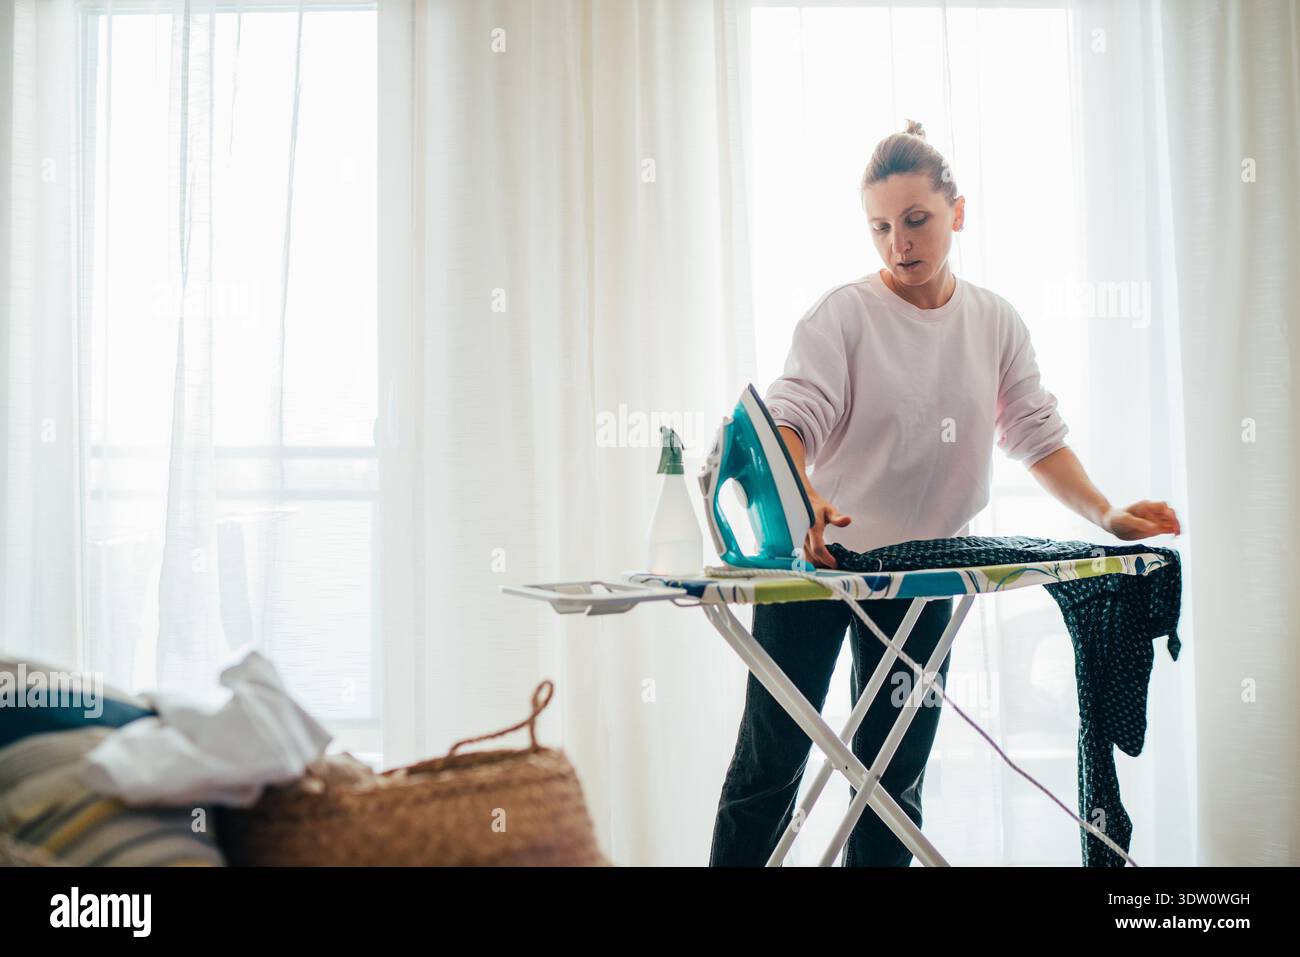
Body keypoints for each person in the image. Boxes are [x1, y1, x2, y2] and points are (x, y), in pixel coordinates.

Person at [709, 118, 1181, 867]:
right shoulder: (844, 315)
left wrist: (1107, 512)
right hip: (818, 562)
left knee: (892, 777)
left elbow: (1036, 433)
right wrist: (806, 496)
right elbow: (792, 420)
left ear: (957, 211)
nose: (900, 241)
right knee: (770, 766)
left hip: (926, 570)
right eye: (882, 228)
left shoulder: (994, 322)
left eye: (917, 220)